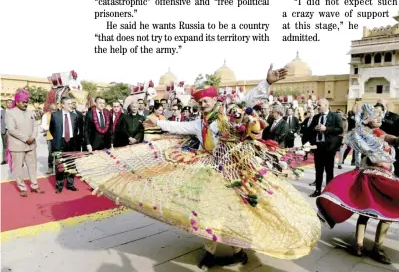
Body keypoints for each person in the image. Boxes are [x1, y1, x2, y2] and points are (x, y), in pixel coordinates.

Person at [59, 64, 321, 271]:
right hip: (211, 171)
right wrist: (157, 121)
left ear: (214, 99)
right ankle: (219, 251)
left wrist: (268, 82)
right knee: (208, 211)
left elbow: (248, 100)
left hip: (235, 171)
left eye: (205, 101)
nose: (201, 104)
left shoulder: (228, 114)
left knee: (237, 211)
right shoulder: (201, 122)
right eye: (199, 102)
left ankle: (230, 251)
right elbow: (179, 127)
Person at [316, 104, 399, 264]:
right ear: (366, 119)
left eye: (380, 115)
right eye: (375, 115)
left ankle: (377, 248)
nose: (380, 118)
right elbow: (370, 148)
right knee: (366, 212)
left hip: (386, 177)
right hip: (370, 177)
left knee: (386, 213)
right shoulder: (361, 134)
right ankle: (359, 245)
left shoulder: (379, 133)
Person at [5, 89, 45, 197]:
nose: (25, 104)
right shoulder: (10, 113)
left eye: (26, 102)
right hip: (18, 146)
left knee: (32, 166)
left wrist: (32, 137)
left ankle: (34, 186)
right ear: (17, 102)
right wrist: (26, 139)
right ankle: (22, 187)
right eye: (23, 102)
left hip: (31, 145)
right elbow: (11, 129)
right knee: (18, 168)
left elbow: (35, 125)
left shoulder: (30, 112)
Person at [308, 98, 343, 197]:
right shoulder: (316, 117)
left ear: (326, 105)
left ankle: (329, 191)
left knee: (329, 170)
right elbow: (309, 130)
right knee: (318, 170)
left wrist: (326, 129)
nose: (317, 107)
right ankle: (317, 190)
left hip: (329, 147)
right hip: (318, 147)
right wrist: (314, 129)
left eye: (319, 105)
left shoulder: (335, 116)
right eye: (317, 105)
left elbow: (340, 130)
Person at [50, 97, 79, 193]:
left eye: (72, 103)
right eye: (69, 103)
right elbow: (51, 129)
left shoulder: (74, 116)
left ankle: (70, 184)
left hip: (71, 143)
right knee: (59, 165)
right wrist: (57, 139)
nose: (71, 105)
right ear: (62, 105)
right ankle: (59, 185)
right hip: (59, 142)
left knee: (71, 164)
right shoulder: (55, 115)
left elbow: (76, 130)